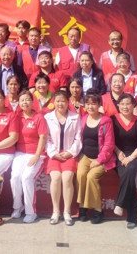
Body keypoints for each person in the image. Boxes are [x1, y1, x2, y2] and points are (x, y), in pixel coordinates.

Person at [75, 92, 115, 225]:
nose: (90, 106)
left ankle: (98, 210)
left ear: (99, 105)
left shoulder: (106, 121)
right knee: (80, 175)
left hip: (102, 158)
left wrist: (99, 160)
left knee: (91, 177)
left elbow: (109, 144)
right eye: (88, 104)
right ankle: (82, 208)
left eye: (93, 103)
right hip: (85, 156)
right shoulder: (83, 118)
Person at [44, 91, 82, 225]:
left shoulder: (75, 117)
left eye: (63, 101)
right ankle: (55, 211)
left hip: (69, 154)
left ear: (68, 102)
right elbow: (46, 138)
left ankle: (67, 211)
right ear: (54, 102)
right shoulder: (48, 117)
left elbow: (78, 138)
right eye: (58, 101)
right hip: (54, 154)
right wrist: (53, 153)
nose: (60, 104)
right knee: (56, 178)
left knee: (67, 178)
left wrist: (70, 152)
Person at [10, 91, 47, 223]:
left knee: (26, 178)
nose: (24, 102)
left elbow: (43, 137)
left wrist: (36, 156)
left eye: (27, 100)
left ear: (32, 102)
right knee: (15, 177)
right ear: (19, 103)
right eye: (22, 100)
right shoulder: (17, 117)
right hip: (20, 153)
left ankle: (31, 212)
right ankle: (17, 207)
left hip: (36, 154)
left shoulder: (38, 117)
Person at [111, 94, 137, 229]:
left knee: (130, 169)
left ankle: (120, 204)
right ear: (118, 105)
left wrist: (131, 157)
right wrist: (118, 152)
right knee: (129, 177)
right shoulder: (113, 119)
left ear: (133, 106)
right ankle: (133, 218)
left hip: (136, 155)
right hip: (119, 155)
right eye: (122, 104)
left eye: (128, 104)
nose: (125, 107)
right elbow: (110, 140)